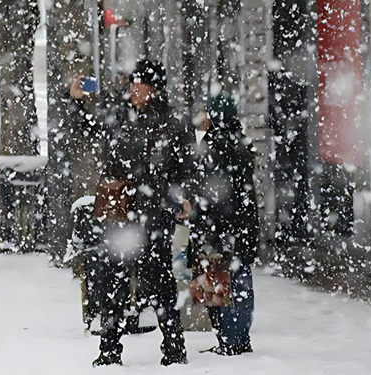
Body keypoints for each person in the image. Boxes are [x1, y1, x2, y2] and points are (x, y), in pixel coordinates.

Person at [69, 59, 193, 367]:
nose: (134, 90)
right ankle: (109, 350)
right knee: (114, 280)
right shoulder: (122, 112)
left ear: (155, 88)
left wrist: (182, 197)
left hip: (155, 211)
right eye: (133, 84)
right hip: (122, 212)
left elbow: (185, 165)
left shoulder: (172, 120)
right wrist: (77, 100)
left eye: (141, 85)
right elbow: (90, 125)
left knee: (160, 280)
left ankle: (174, 348)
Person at [189, 92, 259, 356]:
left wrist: (199, 224)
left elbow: (209, 195)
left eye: (206, 112)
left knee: (222, 287)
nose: (202, 117)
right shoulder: (239, 140)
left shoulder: (215, 145)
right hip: (241, 228)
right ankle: (240, 339)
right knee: (241, 285)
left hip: (221, 230)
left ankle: (230, 341)